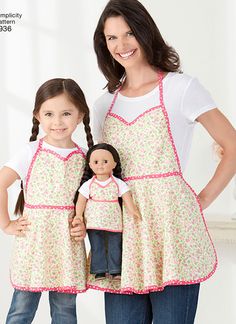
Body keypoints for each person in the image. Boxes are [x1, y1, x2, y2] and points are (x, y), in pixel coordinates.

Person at [76, 0, 236, 323]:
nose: (121, 45)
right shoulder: (104, 103)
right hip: (123, 239)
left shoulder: (181, 88)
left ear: (145, 31)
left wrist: (200, 199)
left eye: (129, 33)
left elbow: (231, 146)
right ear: (103, 45)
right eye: (111, 38)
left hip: (172, 233)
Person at [0, 78, 93, 324]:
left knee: (64, 312)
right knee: (21, 310)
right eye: (49, 113)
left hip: (66, 246)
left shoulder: (86, 158)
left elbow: (91, 203)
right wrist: (6, 224)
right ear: (38, 116)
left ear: (80, 114)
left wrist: (82, 223)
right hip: (33, 244)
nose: (57, 122)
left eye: (66, 113)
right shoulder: (30, 152)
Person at [74, 143, 141, 281]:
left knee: (115, 245)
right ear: (90, 165)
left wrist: (133, 211)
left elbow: (127, 197)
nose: (100, 165)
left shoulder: (118, 183)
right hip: (94, 221)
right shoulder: (89, 184)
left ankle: (115, 270)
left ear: (114, 164)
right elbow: (81, 201)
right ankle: (99, 270)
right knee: (97, 246)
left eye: (105, 161)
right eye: (96, 162)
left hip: (114, 221)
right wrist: (79, 216)